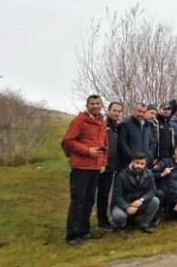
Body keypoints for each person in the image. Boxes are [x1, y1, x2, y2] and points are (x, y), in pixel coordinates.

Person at [62, 95, 108, 246]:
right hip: (81, 167)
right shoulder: (80, 120)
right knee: (78, 200)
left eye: (97, 103)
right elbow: (68, 142)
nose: (95, 106)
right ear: (87, 105)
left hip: (95, 168)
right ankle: (72, 235)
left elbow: (104, 146)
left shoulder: (101, 122)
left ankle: (84, 230)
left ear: (101, 105)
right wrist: (88, 151)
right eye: (92, 103)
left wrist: (102, 162)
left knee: (89, 200)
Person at [110, 152, 160, 234]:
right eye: (137, 163)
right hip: (124, 203)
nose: (139, 166)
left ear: (145, 164)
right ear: (132, 162)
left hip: (139, 203)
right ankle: (121, 226)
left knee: (155, 201)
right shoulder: (121, 175)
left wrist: (141, 200)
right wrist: (127, 207)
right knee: (118, 216)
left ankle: (144, 224)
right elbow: (117, 196)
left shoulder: (149, 173)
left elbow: (152, 190)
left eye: (142, 163)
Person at [97, 102, 122, 232]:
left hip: (112, 166)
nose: (116, 113)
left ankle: (103, 220)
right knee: (95, 196)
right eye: (114, 110)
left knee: (104, 194)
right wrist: (101, 162)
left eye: (119, 111)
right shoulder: (103, 125)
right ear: (108, 110)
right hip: (100, 166)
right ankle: (99, 221)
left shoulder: (116, 127)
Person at [117, 103, 154, 170]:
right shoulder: (125, 124)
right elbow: (122, 143)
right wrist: (131, 157)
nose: (141, 114)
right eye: (139, 111)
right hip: (128, 165)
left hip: (144, 164)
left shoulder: (147, 126)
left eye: (143, 112)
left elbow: (151, 142)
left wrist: (150, 155)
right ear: (133, 110)